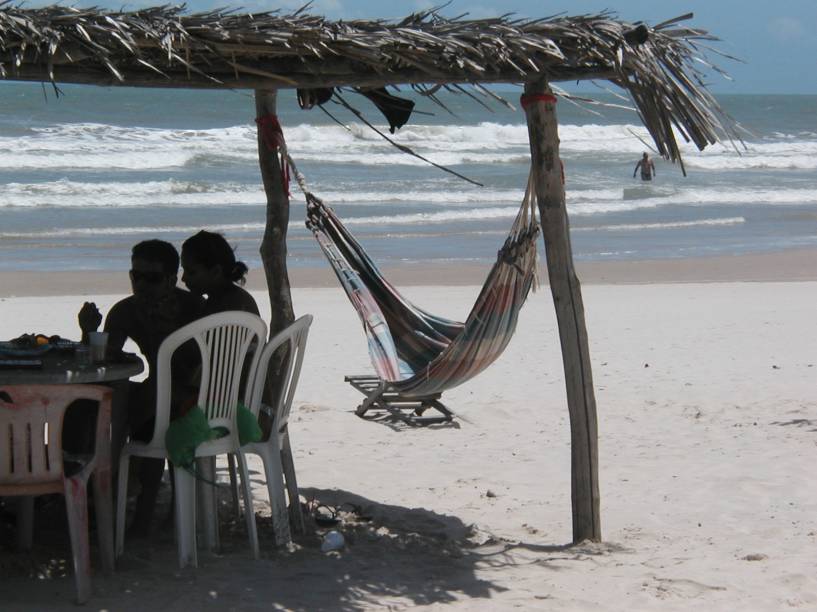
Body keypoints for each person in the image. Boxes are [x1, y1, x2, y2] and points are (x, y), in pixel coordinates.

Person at [77, 239, 203, 536]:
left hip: (199, 395)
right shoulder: (126, 311)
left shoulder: (194, 308)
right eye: (137, 276)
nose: (142, 284)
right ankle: (102, 492)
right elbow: (100, 364)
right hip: (157, 393)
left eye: (153, 278)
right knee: (99, 402)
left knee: (150, 409)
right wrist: (89, 332)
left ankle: (141, 507)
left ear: (173, 279)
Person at [180, 230, 259, 316]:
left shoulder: (216, 309)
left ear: (216, 272)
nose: (183, 278)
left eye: (191, 272)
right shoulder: (243, 298)